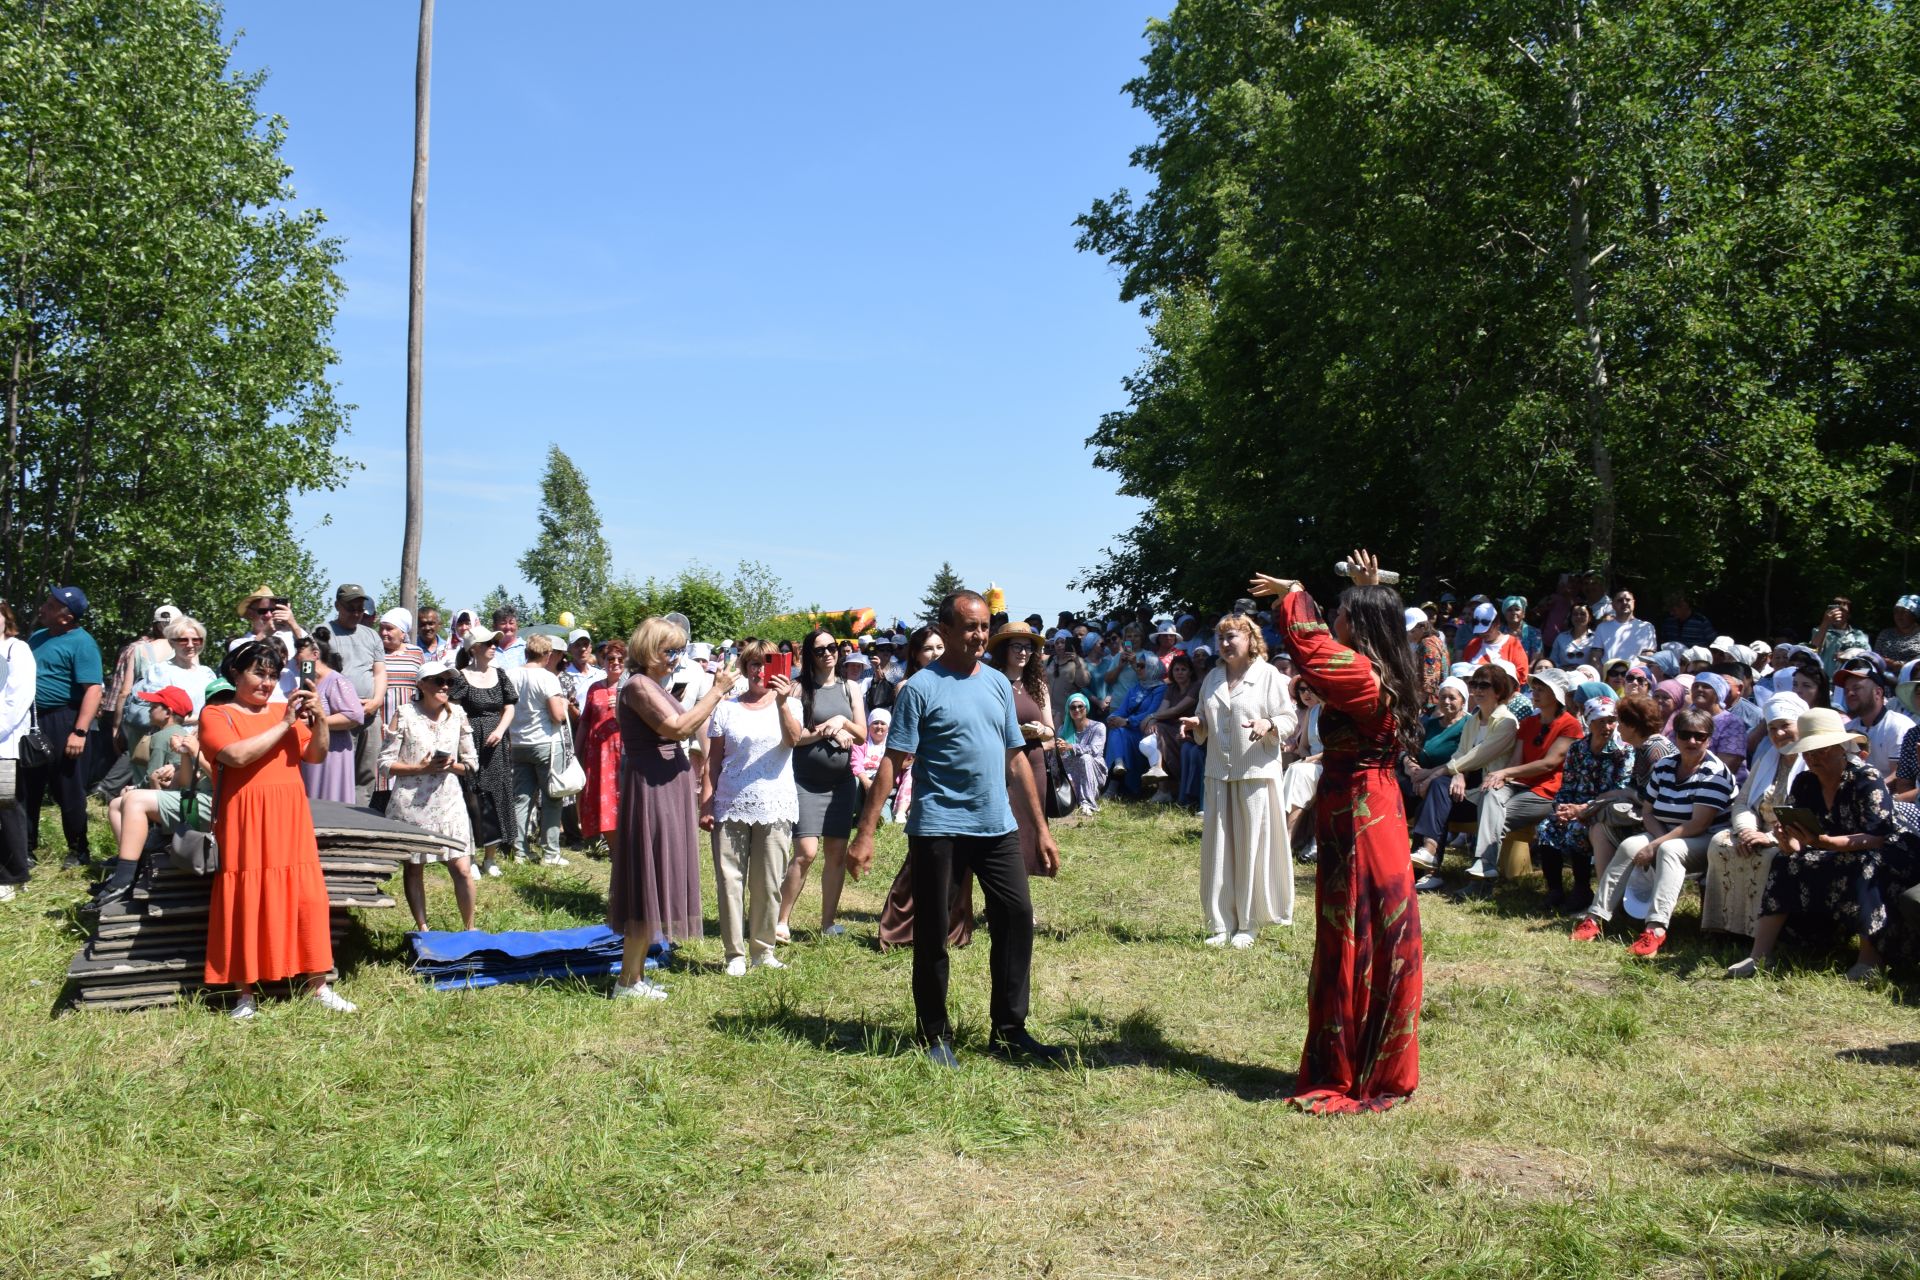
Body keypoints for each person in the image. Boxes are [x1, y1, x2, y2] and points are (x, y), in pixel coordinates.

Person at [848, 590, 1062, 1068]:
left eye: (984, 626)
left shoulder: (997, 686)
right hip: (938, 827)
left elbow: (1015, 760)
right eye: (969, 627)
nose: (980, 635)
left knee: (1015, 917)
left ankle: (1009, 1031)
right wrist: (865, 833)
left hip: (996, 826)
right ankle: (934, 1034)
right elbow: (894, 762)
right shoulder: (921, 687)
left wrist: (1040, 829)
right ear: (944, 631)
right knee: (932, 933)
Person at [1248, 551, 1423, 1114]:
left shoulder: (1360, 673)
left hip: (1362, 816)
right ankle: (1368, 1056)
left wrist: (1296, 590)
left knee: (1359, 931)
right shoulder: (1388, 666)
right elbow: (1347, 637)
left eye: (1343, 613)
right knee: (1370, 928)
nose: (1334, 620)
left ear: (1360, 625)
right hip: (1376, 808)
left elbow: (1310, 645)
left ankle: (1352, 1068)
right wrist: (1368, 590)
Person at [198, 640, 354, 1019]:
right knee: (246, 898)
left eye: (271, 675)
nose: (266, 683)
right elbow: (235, 756)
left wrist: (317, 719)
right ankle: (244, 995)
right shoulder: (216, 714)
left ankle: (318, 985)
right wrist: (285, 722)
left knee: (306, 896)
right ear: (235, 673)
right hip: (244, 816)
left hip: (289, 812)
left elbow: (315, 755)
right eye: (258, 673)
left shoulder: (285, 711)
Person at [1729, 707, 1920, 980]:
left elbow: (1878, 836)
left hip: (1888, 852)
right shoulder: (1805, 782)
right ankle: (1760, 955)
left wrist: (1829, 843)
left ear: (1841, 748)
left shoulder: (1866, 778)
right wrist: (1787, 842)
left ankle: (1870, 960)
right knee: (1784, 862)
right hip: (1833, 849)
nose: (1814, 757)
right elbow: (1801, 842)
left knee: (1866, 865)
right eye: (1809, 751)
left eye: (1822, 750)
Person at [608, 617, 738, 1001]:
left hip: (665, 784)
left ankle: (633, 977)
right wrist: (715, 692)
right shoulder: (637, 686)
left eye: (679, 651)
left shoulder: (650, 684)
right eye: (669, 651)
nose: (676, 658)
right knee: (646, 880)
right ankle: (626, 983)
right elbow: (678, 728)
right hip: (652, 787)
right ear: (649, 649)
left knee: (655, 877)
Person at [1573, 707, 1735, 956]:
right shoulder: (1666, 766)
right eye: (1685, 734)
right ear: (1676, 737)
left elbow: (1698, 824)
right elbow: (1648, 811)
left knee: (1670, 850)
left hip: (1707, 838)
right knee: (1629, 846)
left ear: (1709, 739)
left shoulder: (1715, 772)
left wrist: (1656, 844)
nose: (1692, 741)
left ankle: (1655, 930)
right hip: (1667, 830)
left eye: (1699, 736)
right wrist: (1655, 840)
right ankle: (1597, 917)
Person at [1180, 612, 1298, 947]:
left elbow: (1289, 718)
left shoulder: (1268, 675)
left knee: (1251, 847)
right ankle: (1219, 923)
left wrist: (1269, 724)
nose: (1226, 643)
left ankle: (1248, 923)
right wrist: (1196, 723)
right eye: (1222, 637)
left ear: (1250, 639)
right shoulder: (1213, 677)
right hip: (1218, 772)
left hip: (1255, 773)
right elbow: (1205, 716)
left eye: (1233, 636)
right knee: (1218, 848)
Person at [700, 640, 802, 976]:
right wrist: (706, 802)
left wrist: (784, 703)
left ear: (779, 668)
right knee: (730, 880)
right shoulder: (726, 708)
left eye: (767, 664)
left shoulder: (791, 704)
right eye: (754, 664)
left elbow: (793, 739)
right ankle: (734, 954)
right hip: (730, 803)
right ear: (745, 668)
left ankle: (763, 949)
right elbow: (712, 761)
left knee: (768, 881)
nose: (760, 671)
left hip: (775, 804)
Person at [877, 626, 979, 951]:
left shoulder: (960, 683)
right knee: (923, 859)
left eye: (939, 647)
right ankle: (898, 926)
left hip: (964, 781)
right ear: (916, 655)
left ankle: (955, 927)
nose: (935, 653)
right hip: (930, 780)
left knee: (963, 854)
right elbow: (904, 742)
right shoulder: (908, 687)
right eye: (927, 649)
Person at [1457, 669, 1583, 898]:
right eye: (1534, 687)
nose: (1535, 692)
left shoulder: (1569, 725)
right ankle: (1484, 871)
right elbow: (1516, 762)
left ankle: (1481, 880)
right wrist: (1501, 777)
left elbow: (1548, 764)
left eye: (1542, 688)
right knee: (1491, 794)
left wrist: (1504, 772)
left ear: (1556, 694)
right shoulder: (1528, 722)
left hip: (1547, 793)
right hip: (1519, 786)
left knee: (1494, 814)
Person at [776, 628, 867, 939]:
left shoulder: (851, 688)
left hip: (841, 783)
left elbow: (863, 734)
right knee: (806, 851)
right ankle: (781, 921)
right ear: (809, 655)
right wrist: (826, 731)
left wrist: (841, 723)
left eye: (832, 647)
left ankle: (827, 923)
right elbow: (793, 738)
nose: (828, 653)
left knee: (836, 853)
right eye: (820, 650)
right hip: (806, 781)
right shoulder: (799, 688)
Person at [380, 660, 480, 931]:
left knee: (462, 868)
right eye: (438, 681)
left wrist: (452, 766)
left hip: (448, 802)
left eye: (449, 681)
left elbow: (472, 763)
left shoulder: (458, 714)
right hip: (412, 804)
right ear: (421, 684)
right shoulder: (404, 714)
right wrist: (420, 767)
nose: (445, 686)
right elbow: (385, 763)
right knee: (414, 868)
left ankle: (470, 929)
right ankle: (423, 929)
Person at [1701, 693, 1807, 937]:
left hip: (1789, 836)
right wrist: (1747, 830)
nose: (1779, 734)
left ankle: (1758, 932)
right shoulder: (1767, 760)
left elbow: (1806, 814)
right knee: (1721, 843)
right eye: (1772, 728)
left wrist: (1769, 838)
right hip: (1755, 828)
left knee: (1768, 854)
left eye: (1785, 726)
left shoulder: (1809, 763)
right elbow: (1742, 803)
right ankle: (1724, 926)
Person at [98, 686, 214, 902]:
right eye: (213, 705)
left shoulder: (164, 736)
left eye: (153, 706)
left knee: (128, 800)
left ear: (168, 711)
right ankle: (132, 864)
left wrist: (138, 787)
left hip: (206, 810)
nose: (149, 710)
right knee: (122, 801)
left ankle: (127, 873)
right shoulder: (193, 735)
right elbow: (187, 782)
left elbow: (153, 775)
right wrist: (187, 755)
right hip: (190, 800)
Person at [1406, 664, 1519, 885]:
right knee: (1435, 790)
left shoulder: (1506, 722)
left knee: (1436, 785)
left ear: (1499, 690)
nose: (1477, 689)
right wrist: (1449, 773)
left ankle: (1428, 863)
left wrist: (1434, 774)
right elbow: (1460, 754)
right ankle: (1427, 862)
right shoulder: (1474, 721)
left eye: (1484, 685)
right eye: (1474, 684)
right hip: (1470, 792)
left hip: (1491, 794)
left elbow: (1478, 756)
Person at [23, 586, 104, 870]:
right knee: (28, 786)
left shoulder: (82, 643)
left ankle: (78, 850)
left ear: (66, 617)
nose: (43, 607)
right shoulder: (38, 637)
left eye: (50, 604)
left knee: (68, 788)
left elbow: (93, 689)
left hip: (65, 719)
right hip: (32, 720)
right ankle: (25, 849)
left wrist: (79, 732)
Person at [1531, 696, 1633, 913]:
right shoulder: (1578, 749)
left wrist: (1583, 810)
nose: (1607, 726)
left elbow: (1618, 791)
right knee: (1547, 828)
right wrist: (1562, 808)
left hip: (1604, 811)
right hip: (1574, 807)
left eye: (1611, 720)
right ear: (1588, 721)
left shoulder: (1623, 751)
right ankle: (1555, 889)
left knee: (1577, 830)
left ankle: (1582, 889)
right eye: (1600, 721)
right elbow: (1566, 784)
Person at [987, 621, 1059, 875]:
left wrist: (1040, 731)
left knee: (1030, 824)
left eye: (1028, 647)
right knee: (1008, 827)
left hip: (1035, 760)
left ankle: (1020, 897)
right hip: (1002, 763)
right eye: (1016, 646)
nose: (1023, 652)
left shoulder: (1037, 685)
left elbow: (1051, 730)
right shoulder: (992, 683)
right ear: (1003, 649)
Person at [450, 625, 516, 877]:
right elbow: (453, 710)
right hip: (469, 742)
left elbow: (509, 706)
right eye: (488, 643)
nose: (493, 647)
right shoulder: (460, 677)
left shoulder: (500, 674)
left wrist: (499, 730)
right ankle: (471, 856)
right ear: (474, 648)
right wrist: (465, 735)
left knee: (495, 794)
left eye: (494, 643)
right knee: (472, 798)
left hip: (495, 744)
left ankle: (491, 857)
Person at [313, 585, 386, 805]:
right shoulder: (322, 632)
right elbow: (307, 668)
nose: (356, 613)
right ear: (337, 606)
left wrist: (376, 700)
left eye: (360, 608)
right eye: (350, 608)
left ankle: (359, 822)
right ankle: (333, 819)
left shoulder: (371, 635)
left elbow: (380, 671)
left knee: (366, 775)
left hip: (369, 714)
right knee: (337, 771)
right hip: (338, 716)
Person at [509, 634, 572, 867]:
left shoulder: (511, 675)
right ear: (547, 655)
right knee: (552, 798)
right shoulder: (548, 678)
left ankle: (520, 851)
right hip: (545, 743)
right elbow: (556, 716)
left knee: (522, 798)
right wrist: (564, 705)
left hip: (518, 743)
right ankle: (550, 853)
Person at [293, 633, 364, 804]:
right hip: (309, 753)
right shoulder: (305, 684)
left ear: (315, 654)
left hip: (332, 754)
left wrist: (318, 722)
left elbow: (354, 715)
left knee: (329, 804)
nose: (294, 657)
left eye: (299, 652)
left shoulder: (336, 681)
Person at [0, 601, 36, 900]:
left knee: (6, 806)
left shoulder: (17, 650)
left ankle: (14, 876)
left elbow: (18, 699)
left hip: (6, 745)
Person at [575, 640, 626, 845]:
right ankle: (610, 845)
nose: (615, 662)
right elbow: (585, 723)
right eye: (610, 658)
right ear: (603, 661)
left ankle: (624, 844)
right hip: (597, 754)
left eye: (620, 659)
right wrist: (576, 754)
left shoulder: (632, 686)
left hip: (621, 752)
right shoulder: (594, 688)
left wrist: (623, 706)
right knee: (601, 797)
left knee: (620, 796)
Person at [373, 608, 425, 809]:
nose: (384, 633)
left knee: (406, 760)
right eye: (382, 628)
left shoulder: (416, 652)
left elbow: (424, 684)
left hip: (409, 720)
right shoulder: (375, 652)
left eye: (389, 629)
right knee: (382, 766)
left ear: (403, 633)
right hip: (381, 718)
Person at [1836, 656, 1914, 778]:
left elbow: (1899, 776)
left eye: (1857, 688)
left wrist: (1870, 790)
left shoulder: (1899, 726)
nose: (1850, 693)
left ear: (1878, 692)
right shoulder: (1846, 729)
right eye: (1846, 690)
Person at [1104, 653, 1168, 796]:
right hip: (1129, 730)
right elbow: (1122, 709)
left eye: (1141, 666)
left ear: (1153, 668)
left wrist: (1126, 721)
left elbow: (1152, 712)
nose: (1137, 669)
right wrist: (1113, 717)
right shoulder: (1136, 688)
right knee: (1116, 730)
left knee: (1119, 733)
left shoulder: (1161, 689)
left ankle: (1113, 785)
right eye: (1137, 665)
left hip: (1145, 731)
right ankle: (1118, 766)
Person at [1146, 651, 1198, 805]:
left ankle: (1164, 783)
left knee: (1159, 731)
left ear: (1190, 672)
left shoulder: (1196, 687)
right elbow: (1163, 709)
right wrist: (1153, 719)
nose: (1180, 673)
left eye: (1183, 669)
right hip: (1171, 727)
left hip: (1190, 729)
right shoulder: (1171, 688)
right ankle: (1163, 787)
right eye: (1176, 669)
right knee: (1155, 730)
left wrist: (1150, 717)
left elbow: (1176, 710)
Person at [1052, 693, 1107, 814]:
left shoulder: (1098, 727)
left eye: (1080, 706)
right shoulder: (1063, 729)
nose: (1077, 710)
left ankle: (1087, 802)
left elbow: (1095, 751)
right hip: (1070, 767)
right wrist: (1059, 750)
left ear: (1086, 708)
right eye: (1073, 707)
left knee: (1085, 758)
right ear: (1068, 710)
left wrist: (1071, 747)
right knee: (1052, 755)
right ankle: (1056, 790)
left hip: (1092, 768)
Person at [1463, 602, 1529, 683]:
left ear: (1497, 623)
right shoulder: (1473, 644)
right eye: (1480, 630)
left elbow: (1522, 675)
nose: (1483, 633)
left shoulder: (1512, 644)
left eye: (1487, 629)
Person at [1592, 590, 1656, 665]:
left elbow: (1648, 656)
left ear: (1633, 602)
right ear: (1613, 605)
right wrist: (1605, 675)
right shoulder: (1602, 627)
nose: (1624, 602)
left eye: (1628, 600)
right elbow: (1595, 657)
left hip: (1636, 674)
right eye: (1620, 600)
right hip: (1609, 675)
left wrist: (1635, 674)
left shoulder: (1646, 627)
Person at [1811, 596, 1870, 675]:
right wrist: (1825, 622)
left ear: (1849, 615)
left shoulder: (1859, 635)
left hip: (1852, 680)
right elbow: (1812, 652)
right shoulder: (1819, 631)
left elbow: (1869, 658)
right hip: (1827, 681)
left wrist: (1849, 656)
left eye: (1842, 610)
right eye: (1834, 609)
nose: (1837, 612)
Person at [1044, 631, 1090, 726]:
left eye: (1063, 642)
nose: (1059, 645)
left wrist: (1077, 662)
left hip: (1069, 712)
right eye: (1057, 643)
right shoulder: (1049, 661)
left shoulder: (1078, 661)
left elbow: (1083, 683)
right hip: (1050, 711)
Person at [1874, 594, 1920, 665]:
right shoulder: (1885, 634)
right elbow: (1875, 657)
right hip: (1883, 674)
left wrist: (1897, 664)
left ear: (1914, 614)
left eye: (1904, 612)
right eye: (1896, 611)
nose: (1899, 615)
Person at [1550, 603, 1596, 670]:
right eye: (1575, 614)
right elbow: (1553, 661)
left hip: (1587, 678)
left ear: (1590, 618)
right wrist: (1564, 668)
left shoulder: (1596, 638)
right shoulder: (1561, 638)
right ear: (1570, 617)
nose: (1578, 617)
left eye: (1583, 614)